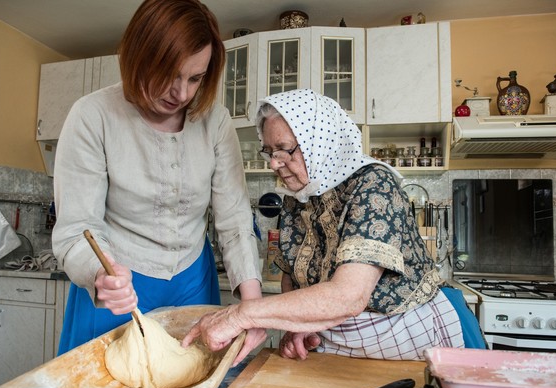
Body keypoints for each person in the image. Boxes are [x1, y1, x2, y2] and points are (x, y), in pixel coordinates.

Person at [183, 89, 485, 361]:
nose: (274, 163)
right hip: (337, 343)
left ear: (320, 141)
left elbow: (349, 296)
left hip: (415, 336)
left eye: (284, 149)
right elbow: (292, 279)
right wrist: (297, 326)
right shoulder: (295, 199)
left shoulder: (372, 185)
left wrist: (242, 315)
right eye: (269, 151)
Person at [52, 0, 265, 364]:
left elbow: (234, 222)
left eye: (195, 78)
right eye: (169, 73)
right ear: (138, 57)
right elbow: (77, 229)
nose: (181, 94)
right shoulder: (92, 116)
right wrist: (100, 276)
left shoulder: (216, 121)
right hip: (118, 284)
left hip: (193, 281)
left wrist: (254, 309)